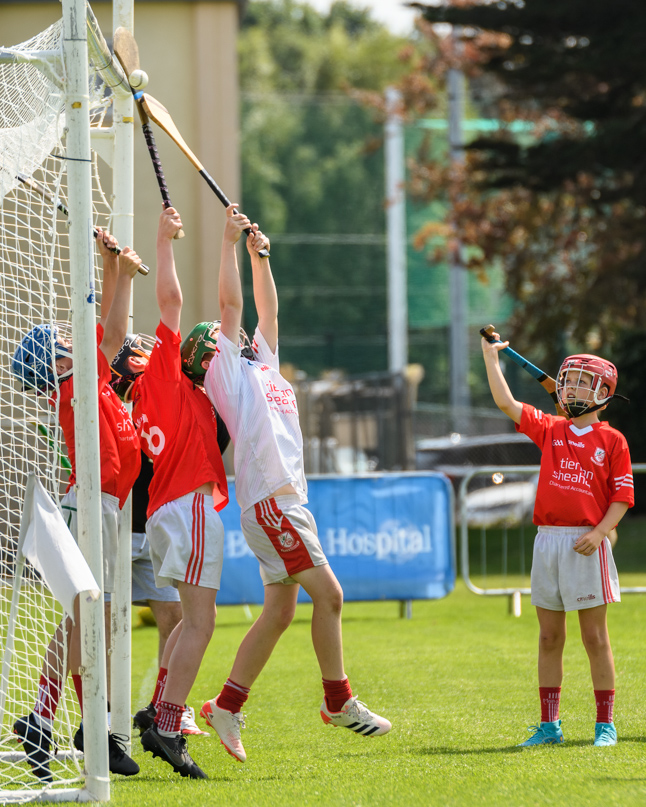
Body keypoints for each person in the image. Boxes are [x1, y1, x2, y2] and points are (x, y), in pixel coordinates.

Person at [197, 204, 391, 764]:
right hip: (273, 505)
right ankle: (339, 700)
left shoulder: (266, 365)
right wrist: (227, 241)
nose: (234, 334)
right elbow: (231, 305)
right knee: (330, 595)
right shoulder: (227, 372)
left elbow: (266, 310)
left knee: (281, 612)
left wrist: (261, 257)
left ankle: (227, 705)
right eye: (220, 336)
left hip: (285, 503)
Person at [11, 230, 143, 781]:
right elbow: (108, 334)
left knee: (91, 617)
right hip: (90, 506)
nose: (74, 340)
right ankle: (62, 719)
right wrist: (111, 271)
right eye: (64, 341)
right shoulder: (73, 386)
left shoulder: (85, 380)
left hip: (102, 505)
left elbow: (111, 334)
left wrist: (117, 270)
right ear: (58, 362)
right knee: (87, 616)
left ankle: (66, 722)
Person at [481, 334, 634, 748]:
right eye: (567, 382)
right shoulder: (551, 429)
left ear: (603, 393)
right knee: (549, 637)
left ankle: (605, 725)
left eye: (581, 382)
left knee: (594, 638)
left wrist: (600, 533)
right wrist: (490, 358)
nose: (569, 389)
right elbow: (506, 404)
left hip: (586, 543)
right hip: (547, 541)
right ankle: (550, 726)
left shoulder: (612, 441)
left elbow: (622, 497)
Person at [129, 207, 229, 779]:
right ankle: (168, 724)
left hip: (171, 508)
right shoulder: (166, 378)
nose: (215, 358)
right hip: (187, 505)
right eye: (210, 351)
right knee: (201, 623)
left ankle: (156, 712)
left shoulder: (173, 393)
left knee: (186, 622)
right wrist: (164, 242)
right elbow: (170, 303)